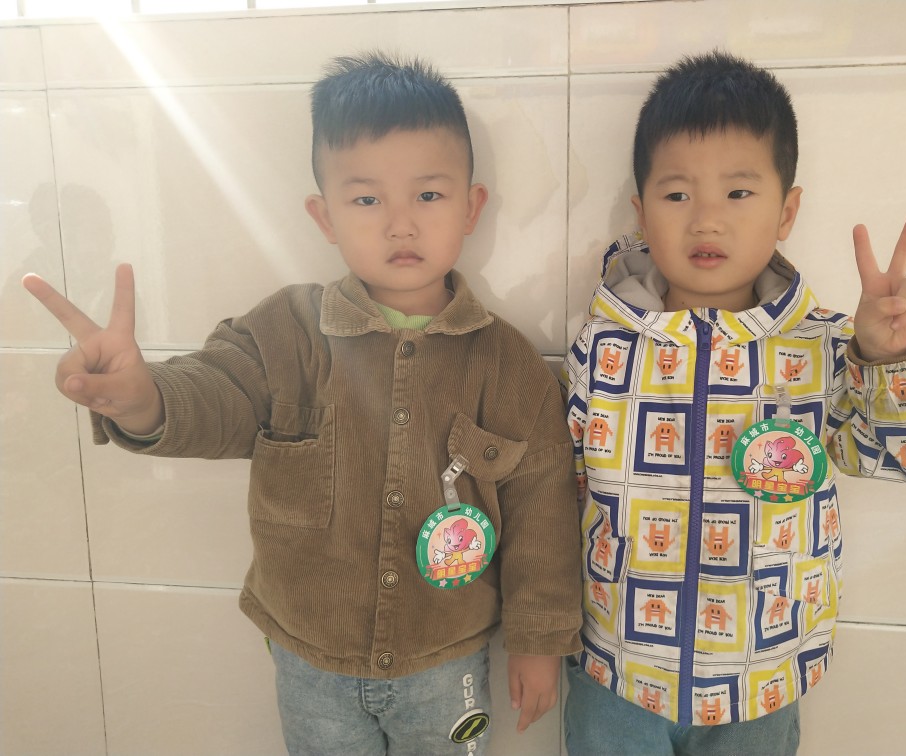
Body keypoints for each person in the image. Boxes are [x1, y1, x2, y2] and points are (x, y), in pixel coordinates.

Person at [23, 52, 582, 755]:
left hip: (446, 658)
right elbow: (218, 393)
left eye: (428, 196)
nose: (400, 224)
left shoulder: (508, 364)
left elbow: (543, 510)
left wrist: (538, 640)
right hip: (309, 658)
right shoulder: (284, 333)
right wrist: (141, 399)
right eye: (367, 200)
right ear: (325, 216)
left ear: (471, 207)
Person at [562, 50, 906, 756]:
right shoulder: (602, 346)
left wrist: (888, 358)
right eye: (677, 195)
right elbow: (553, 494)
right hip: (616, 671)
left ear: (787, 210)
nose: (707, 220)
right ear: (641, 211)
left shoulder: (827, 346)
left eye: (739, 192)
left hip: (763, 679)